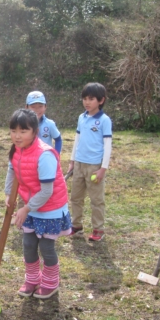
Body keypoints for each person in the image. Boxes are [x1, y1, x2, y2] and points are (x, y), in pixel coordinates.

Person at [5, 109, 71, 299]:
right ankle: (32, 279)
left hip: (51, 207)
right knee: (28, 244)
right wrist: (9, 194)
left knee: (46, 246)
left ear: (35, 131)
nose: (17, 136)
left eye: (23, 131)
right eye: (13, 130)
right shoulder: (17, 150)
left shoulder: (45, 155)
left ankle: (51, 283)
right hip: (32, 206)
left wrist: (26, 208)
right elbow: (12, 171)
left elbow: (47, 191)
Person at [66, 83, 112, 242]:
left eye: (91, 99)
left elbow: (108, 146)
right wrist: (72, 161)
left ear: (101, 100)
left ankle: (98, 229)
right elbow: (77, 140)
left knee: (96, 200)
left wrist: (102, 169)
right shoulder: (81, 117)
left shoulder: (104, 120)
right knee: (76, 197)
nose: (87, 102)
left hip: (94, 166)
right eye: (84, 98)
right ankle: (76, 226)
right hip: (79, 164)